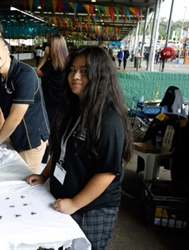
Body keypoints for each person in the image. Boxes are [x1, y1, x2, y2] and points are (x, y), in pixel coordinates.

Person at [25, 46, 134, 249]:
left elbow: (107, 173)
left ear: (100, 75)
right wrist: (44, 175)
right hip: (64, 200)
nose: (75, 76)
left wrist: (74, 204)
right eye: (73, 69)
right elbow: (59, 151)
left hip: (90, 209)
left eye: (84, 71)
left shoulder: (109, 119)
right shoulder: (73, 107)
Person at [0, 32, 50, 173]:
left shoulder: (25, 75)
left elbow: (15, 118)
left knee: (22, 185)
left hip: (31, 141)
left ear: (6, 48)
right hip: (14, 137)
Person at [36, 34, 68, 126]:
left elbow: (37, 73)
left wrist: (45, 56)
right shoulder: (68, 62)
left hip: (49, 101)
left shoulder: (50, 64)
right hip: (62, 101)